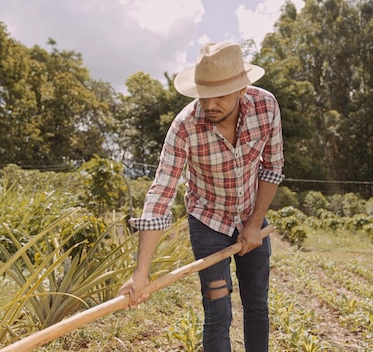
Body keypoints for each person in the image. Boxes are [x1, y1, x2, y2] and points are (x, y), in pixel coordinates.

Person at [118, 41, 285, 352]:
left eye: (220, 95)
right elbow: (160, 193)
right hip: (207, 221)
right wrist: (141, 273)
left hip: (252, 215)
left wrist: (254, 223)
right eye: (204, 95)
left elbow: (272, 168)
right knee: (218, 311)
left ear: (242, 90)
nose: (210, 105)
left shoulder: (266, 107)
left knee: (257, 305)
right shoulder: (184, 126)